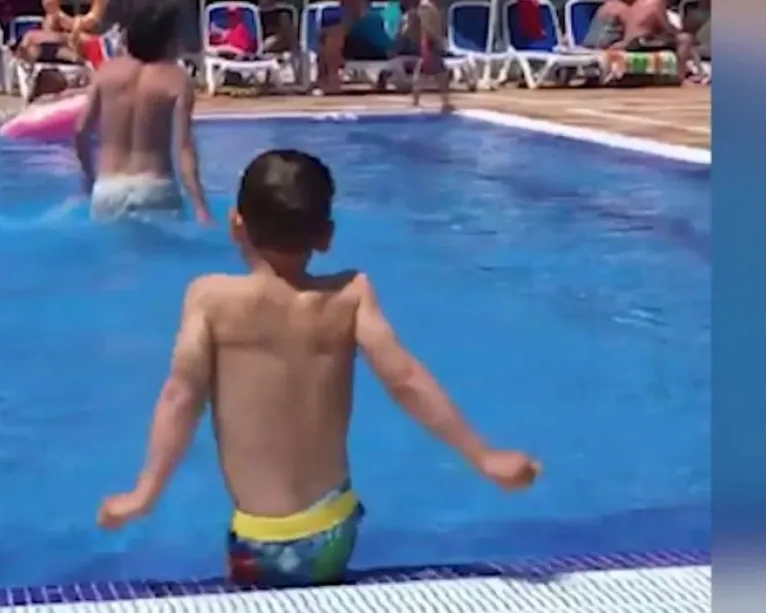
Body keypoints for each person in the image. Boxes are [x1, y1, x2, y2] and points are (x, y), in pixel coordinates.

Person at [97, 149, 541, 587]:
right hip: (335, 526)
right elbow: (405, 380)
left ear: (236, 225)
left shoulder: (210, 299)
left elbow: (181, 397)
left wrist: (144, 494)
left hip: (259, 538)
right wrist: (485, 457)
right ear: (326, 236)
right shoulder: (351, 295)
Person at [73, 0, 213, 224]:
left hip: (109, 189)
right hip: (155, 187)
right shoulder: (177, 79)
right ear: (168, 42)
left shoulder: (106, 73)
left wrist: (89, 177)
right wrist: (200, 206)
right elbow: (184, 148)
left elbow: (81, 130)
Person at [385, 0, 452, 112]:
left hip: (430, 44)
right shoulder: (424, 7)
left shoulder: (425, 7)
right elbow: (423, 27)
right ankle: (442, 103)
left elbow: (425, 27)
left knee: (432, 74)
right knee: (434, 74)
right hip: (429, 44)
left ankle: (434, 102)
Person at [316, 0, 389, 94]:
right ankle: (327, 78)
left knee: (333, 36)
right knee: (329, 36)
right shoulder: (342, 16)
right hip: (353, 41)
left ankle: (331, 78)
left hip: (373, 43)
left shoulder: (374, 15)